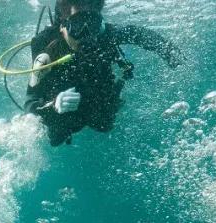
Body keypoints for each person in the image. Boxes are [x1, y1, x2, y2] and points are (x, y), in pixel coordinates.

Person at [25, 0, 183, 146]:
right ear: (63, 25)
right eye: (78, 24)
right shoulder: (44, 43)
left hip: (97, 99)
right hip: (63, 107)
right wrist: (53, 106)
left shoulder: (106, 33)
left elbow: (140, 34)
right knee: (56, 137)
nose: (87, 34)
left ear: (99, 22)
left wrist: (174, 57)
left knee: (105, 124)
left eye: (92, 23)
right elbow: (30, 102)